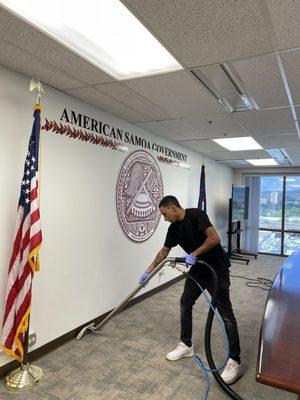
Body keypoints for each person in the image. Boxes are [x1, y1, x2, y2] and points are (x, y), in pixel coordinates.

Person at [139, 195, 242, 385]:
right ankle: (186, 345)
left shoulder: (197, 215)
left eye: (164, 214)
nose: (164, 218)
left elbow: (214, 238)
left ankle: (235, 360)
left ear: (172, 208)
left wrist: (194, 253)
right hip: (199, 270)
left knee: (225, 314)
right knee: (185, 302)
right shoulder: (173, 229)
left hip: (217, 270)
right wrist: (148, 271)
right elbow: (164, 252)